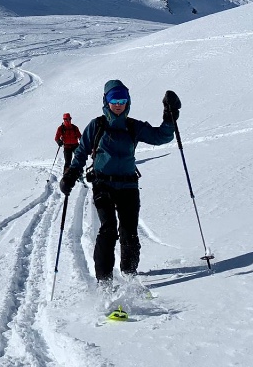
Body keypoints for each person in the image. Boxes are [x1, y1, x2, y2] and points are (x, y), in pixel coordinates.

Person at [59, 80, 181, 285]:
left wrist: (170, 117)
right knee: (108, 229)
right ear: (106, 101)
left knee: (129, 232)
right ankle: (104, 281)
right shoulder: (97, 125)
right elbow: (80, 152)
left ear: (128, 101)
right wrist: (71, 173)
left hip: (128, 186)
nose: (118, 104)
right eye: (113, 99)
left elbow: (161, 137)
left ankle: (129, 274)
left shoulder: (133, 126)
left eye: (122, 99)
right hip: (102, 184)